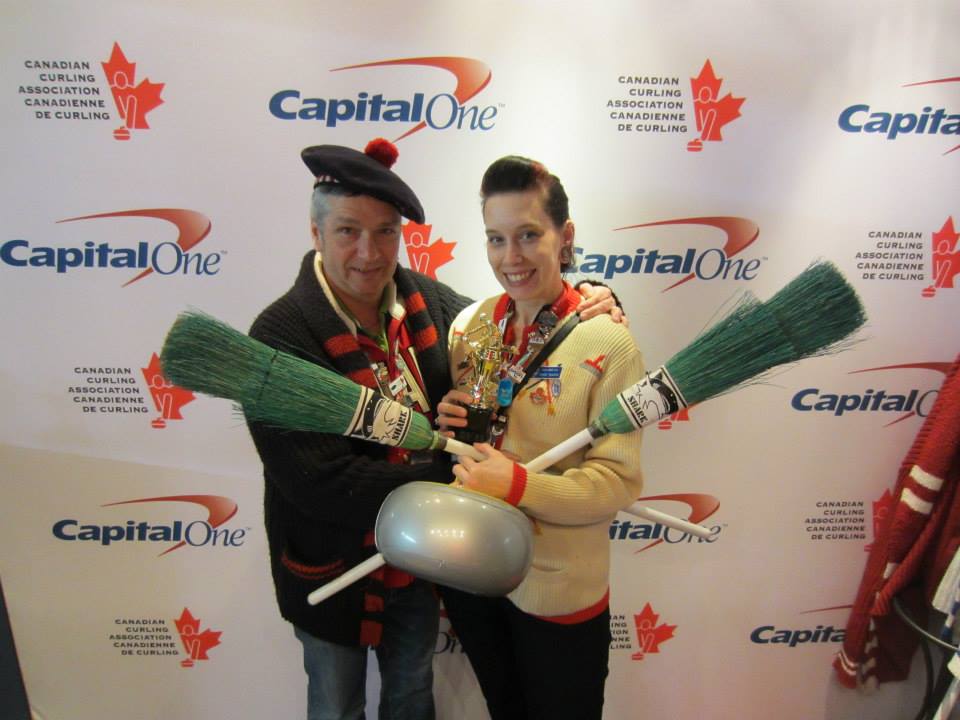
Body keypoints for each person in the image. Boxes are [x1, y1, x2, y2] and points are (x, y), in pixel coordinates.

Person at [243, 139, 625, 720]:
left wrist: (594, 298)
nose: (369, 253)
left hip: (421, 567)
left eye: (385, 232)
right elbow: (316, 481)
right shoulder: (278, 336)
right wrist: (451, 471)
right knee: (336, 706)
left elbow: (526, 313)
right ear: (316, 233)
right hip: (336, 569)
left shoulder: (428, 303)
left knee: (411, 700)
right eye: (348, 231)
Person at [437, 155, 645, 720]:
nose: (511, 257)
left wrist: (517, 484)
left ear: (565, 236)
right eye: (496, 238)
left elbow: (617, 483)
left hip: (558, 589)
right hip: (476, 573)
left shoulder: (610, 342)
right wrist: (449, 418)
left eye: (529, 235)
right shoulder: (469, 326)